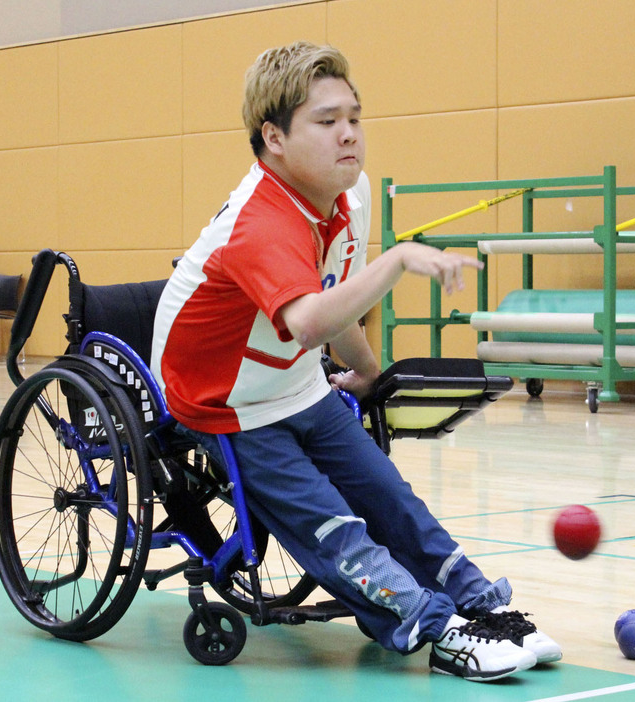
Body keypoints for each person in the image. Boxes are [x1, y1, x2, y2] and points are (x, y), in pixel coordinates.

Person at [151, 40, 561, 683]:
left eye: (354, 117)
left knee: (391, 498)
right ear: (274, 137)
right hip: (226, 403)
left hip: (297, 382)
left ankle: (481, 606)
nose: (349, 135)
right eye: (326, 120)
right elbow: (308, 319)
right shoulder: (260, 223)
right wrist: (396, 261)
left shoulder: (350, 192)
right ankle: (439, 631)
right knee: (335, 527)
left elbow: (335, 307)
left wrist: (368, 372)